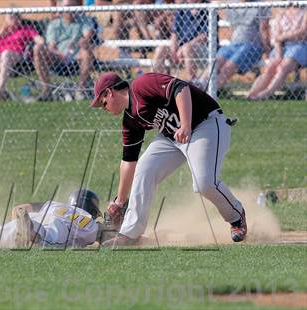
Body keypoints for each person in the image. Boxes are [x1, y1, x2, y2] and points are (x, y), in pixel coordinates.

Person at [90, 72, 247, 247]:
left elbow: (181, 88)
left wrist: (186, 124)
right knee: (144, 169)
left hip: (205, 124)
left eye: (103, 103)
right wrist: (119, 201)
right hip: (173, 137)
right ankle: (130, 233)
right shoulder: (130, 120)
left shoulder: (141, 85)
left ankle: (236, 216)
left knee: (204, 183)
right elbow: (128, 161)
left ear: (110, 92)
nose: (104, 108)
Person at [0, 189, 111, 249]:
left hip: (23, 221)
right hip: (43, 231)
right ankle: (31, 232)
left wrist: (21, 219)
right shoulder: (89, 222)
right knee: (49, 239)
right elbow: (107, 237)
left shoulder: (54, 205)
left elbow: (19, 209)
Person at [33, 0, 96, 101]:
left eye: (73, 7)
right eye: (67, 7)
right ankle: (47, 89)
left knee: (86, 51)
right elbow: (51, 47)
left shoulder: (84, 21)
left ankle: (80, 90)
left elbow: (88, 34)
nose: (70, 10)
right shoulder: (55, 24)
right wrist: (59, 54)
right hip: (58, 58)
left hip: (77, 58)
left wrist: (84, 41)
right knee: (38, 48)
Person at [200, 1, 270, 90]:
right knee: (216, 61)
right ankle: (200, 85)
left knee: (228, 66)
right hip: (233, 45)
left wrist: (267, 51)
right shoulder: (234, 5)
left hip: (252, 46)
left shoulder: (261, 5)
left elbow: (264, 29)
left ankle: (210, 92)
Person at [247, 7, 307, 100]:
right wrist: (279, 52)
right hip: (282, 45)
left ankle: (265, 94)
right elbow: (276, 36)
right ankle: (252, 94)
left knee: (283, 67)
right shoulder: (281, 12)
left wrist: (282, 37)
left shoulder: (305, 11)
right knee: (271, 67)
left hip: (300, 45)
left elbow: (303, 31)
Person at [153, 0, 208, 80]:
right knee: (161, 49)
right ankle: (157, 82)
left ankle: (191, 84)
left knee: (187, 48)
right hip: (182, 48)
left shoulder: (207, 7)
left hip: (203, 49)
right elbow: (174, 33)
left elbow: (204, 36)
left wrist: (184, 47)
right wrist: (173, 50)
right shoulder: (182, 7)